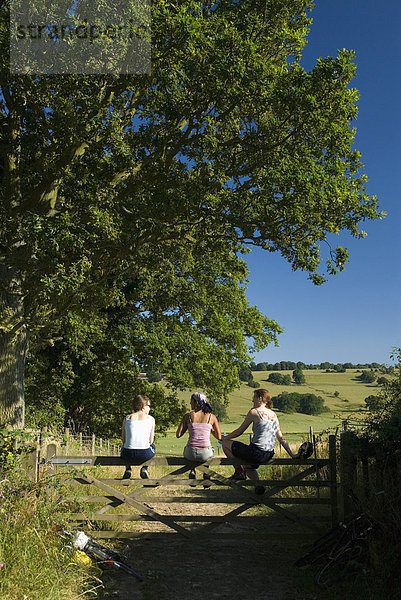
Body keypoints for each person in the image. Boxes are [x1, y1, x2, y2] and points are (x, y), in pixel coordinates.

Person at [222, 388, 296, 493]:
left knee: (225, 444)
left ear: (260, 398)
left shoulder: (254, 412)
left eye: (254, 397)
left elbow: (239, 431)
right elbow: (281, 438)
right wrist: (292, 455)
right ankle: (258, 486)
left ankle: (239, 472)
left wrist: (225, 438)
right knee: (248, 466)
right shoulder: (273, 415)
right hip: (268, 454)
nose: (252, 400)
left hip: (255, 453)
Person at [176, 392, 222, 478]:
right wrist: (209, 428)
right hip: (205, 453)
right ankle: (206, 472)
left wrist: (188, 426)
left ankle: (192, 470)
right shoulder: (211, 417)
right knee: (210, 450)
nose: (190, 403)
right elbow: (219, 437)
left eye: (191, 401)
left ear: (196, 402)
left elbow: (178, 434)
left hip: (191, 453)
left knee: (190, 449)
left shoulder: (188, 416)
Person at [120, 394, 155, 479]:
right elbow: (151, 441)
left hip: (127, 454)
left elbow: (123, 439)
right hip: (144, 454)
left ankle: (128, 469)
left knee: (123, 447)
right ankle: (144, 469)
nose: (149, 409)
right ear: (143, 407)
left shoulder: (127, 418)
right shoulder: (151, 419)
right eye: (148, 406)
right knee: (153, 446)